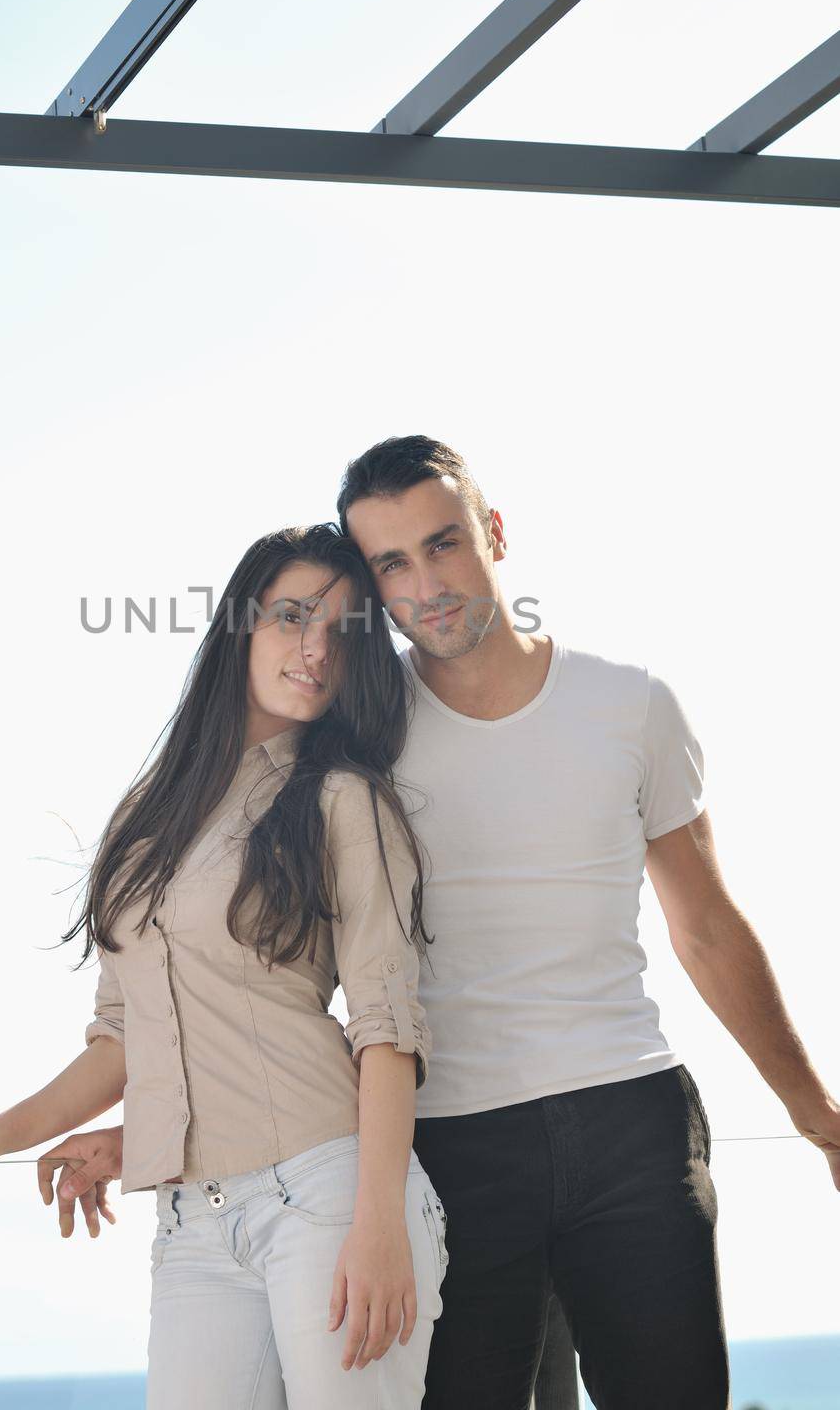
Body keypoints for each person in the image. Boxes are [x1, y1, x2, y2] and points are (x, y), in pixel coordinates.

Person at [0, 523, 453, 1408]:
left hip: (330, 1195)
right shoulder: (145, 823)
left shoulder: (344, 801)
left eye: (341, 632)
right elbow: (122, 1041)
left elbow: (387, 1030)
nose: (314, 650)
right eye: (291, 617)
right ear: (238, 627)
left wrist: (380, 1222)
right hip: (192, 1222)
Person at [335, 433, 840, 1410]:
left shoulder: (628, 704)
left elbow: (705, 926)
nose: (424, 581)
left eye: (441, 543)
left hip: (627, 1119)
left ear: (492, 531)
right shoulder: (358, 735)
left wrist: (811, 1109)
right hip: (447, 1144)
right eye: (389, 563)